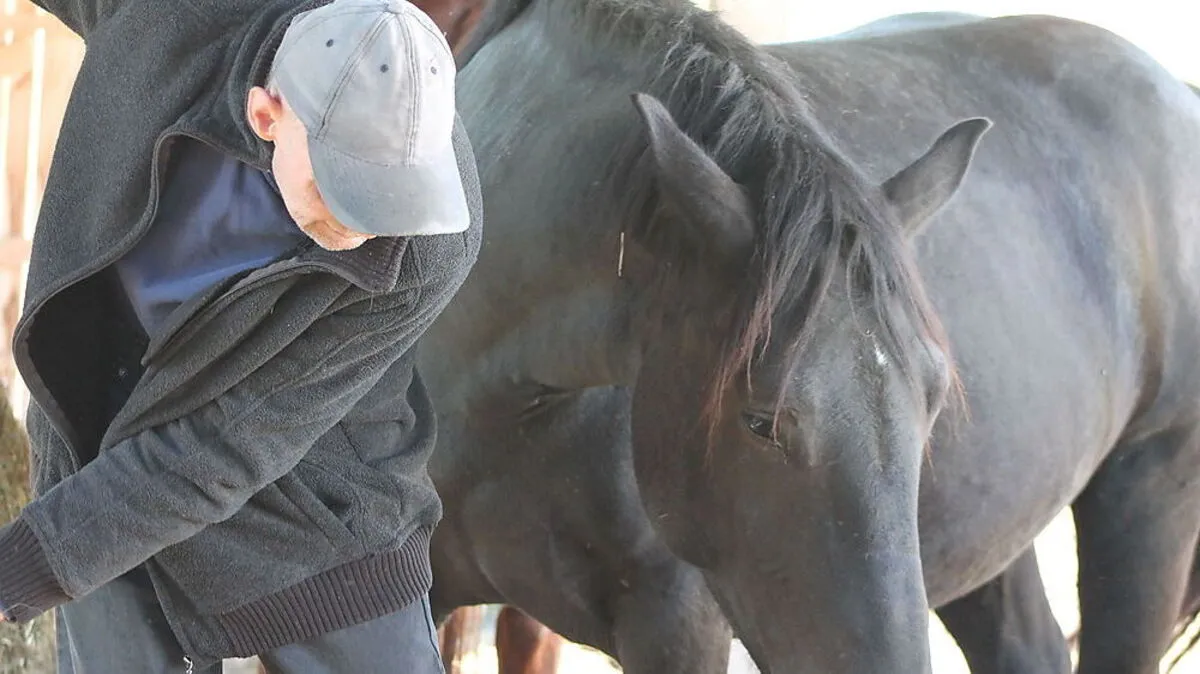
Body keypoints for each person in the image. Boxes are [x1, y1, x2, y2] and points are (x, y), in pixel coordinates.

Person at [0, 0, 481, 671]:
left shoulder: (430, 245)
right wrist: (34, 560)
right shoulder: (169, 17)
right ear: (266, 115)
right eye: (343, 188)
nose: (368, 226)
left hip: (317, 512)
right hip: (100, 474)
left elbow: (224, 443)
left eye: (392, 195)